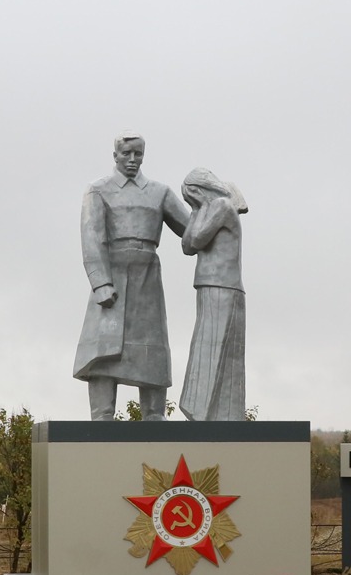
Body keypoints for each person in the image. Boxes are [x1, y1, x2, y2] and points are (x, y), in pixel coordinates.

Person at [72, 133, 190, 420]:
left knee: (152, 351)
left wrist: (219, 210)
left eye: (138, 154)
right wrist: (101, 282)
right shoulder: (98, 190)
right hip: (113, 274)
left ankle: (154, 417)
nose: (132, 159)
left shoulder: (159, 192)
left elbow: (191, 231)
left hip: (147, 275)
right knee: (104, 352)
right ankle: (102, 418)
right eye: (127, 154)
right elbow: (91, 237)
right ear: (115, 155)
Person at [177, 168, 248, 422]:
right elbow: (187, 246)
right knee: (207, 345)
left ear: (198, 190)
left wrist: (196, 210)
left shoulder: (221, 205)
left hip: (223, 286)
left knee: (214, 347)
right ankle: (206, 412)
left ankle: (209, 412)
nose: (191, 203)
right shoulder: (212, 208)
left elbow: (196, 239)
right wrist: (197, 210)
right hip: (212, 285)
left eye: (190, 197)